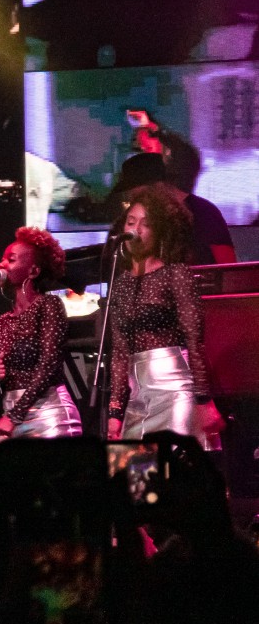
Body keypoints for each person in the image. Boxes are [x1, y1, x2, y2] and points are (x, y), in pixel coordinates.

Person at [107, 186, 226, 441]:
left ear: (160, 232)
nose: (135, 230)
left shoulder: (176, 274)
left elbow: (195, 341)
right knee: (134, 477)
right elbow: (118, 353)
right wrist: (115, 412)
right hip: (137, 397)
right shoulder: (121, 284)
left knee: (172, 474)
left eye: (145, 224)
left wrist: (204, 400)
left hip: (174, 390)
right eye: (131, 221)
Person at [0, 228, 82, 443]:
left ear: (33, 271)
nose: (1, 264)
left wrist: (15, 415)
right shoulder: (0, 323)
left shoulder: (49, 305)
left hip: (49, 416)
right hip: (10, 418)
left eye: (10, 260)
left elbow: (49, 364)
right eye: (2, 259)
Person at [110, 151, 236, 266]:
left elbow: (227, 265)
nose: (130, 196)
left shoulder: (204, 212)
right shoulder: (128, 218)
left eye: (134, 190)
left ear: (156, 185)